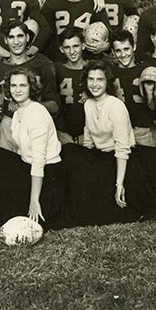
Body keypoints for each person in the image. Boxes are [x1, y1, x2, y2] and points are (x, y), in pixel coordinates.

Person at [0, 68, 67, 228]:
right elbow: (21, 151)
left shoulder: (37, 112)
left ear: (31, 87)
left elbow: (39, 160)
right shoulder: (19, 111)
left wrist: (34, 201)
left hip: (47, 174)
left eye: (22, 85)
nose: (17, 90)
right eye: (13, 86)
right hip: (28, 167)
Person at [59, 61, 138, 227]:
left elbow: (122, 148)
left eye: (100, 80)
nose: (95, 84)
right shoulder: (88, 104)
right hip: (99, 157)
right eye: (91, 79)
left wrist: (119, 185)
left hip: (119, 159)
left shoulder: (116, 106)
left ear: (107, 82)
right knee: (69, 152)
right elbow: (88, 140)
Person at [110, 30, 156, 219]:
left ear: (134, 47)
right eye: (118, 51)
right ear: (112, 52)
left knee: (151, 168)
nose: (123, 54)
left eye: (126, 49)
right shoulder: (110, 73)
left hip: (144, 129)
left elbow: (155, 106)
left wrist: (151, 97)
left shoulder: (147, 69)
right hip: (120, 131)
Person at [0, 19, 59, 156]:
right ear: (5, 40)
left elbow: (55, 105)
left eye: (20, 36)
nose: (16, 42)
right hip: (7, 128)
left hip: (35, 125)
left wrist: (27, 106)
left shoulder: (42, 63)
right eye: (11, 37)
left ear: (27, 37)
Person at [41, 0, 110, 61]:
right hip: (58, 63)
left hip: (86, 63)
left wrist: (106, 45)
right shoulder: (53, 2)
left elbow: (110, 34)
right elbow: (43, 35)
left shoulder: (94, 3)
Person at [53, 26, 87, 145]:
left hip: (89, 132)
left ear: (83, 45)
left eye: (75, 46)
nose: (72, 51)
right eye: (67, 47)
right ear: (61, 49)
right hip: (62, 132)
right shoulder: (56, 69)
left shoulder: (93, 69)